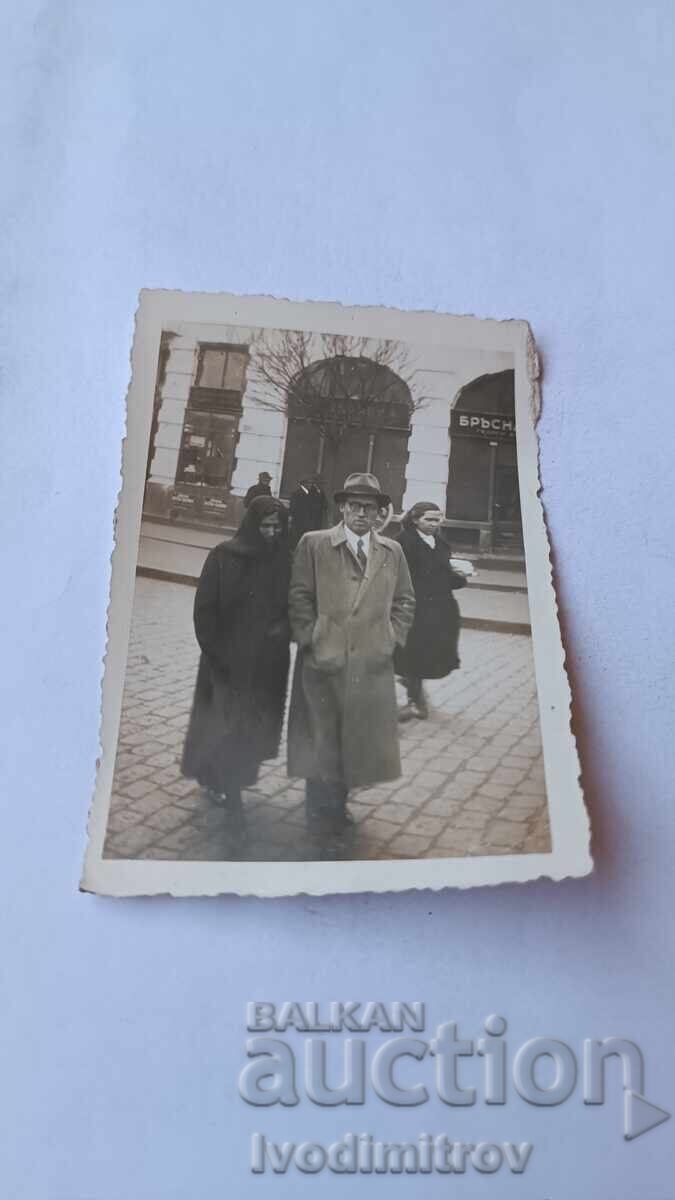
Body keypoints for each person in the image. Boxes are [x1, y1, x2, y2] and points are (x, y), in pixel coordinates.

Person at [287, 472, 416, 834]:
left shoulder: (392, 551)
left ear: (379, 514)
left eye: (370, 508)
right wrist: (312, 637)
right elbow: (299, 595)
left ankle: (339, 804)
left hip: (369, 662)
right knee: (320, 737)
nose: (362, 513)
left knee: (355, 740)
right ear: (342, 507)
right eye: (355, 506)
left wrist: (390, 638)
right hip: (323, 659)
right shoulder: (314, 544)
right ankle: (318, 809)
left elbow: (405, 599)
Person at [181, 496, 291, 835]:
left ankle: (231, 780)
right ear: (251, 524)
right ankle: (231, 798)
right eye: (266, 526)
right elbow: (205, 610)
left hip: (268, 662)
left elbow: (292, 604)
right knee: (225, 726)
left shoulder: (284, 560)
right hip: (227, 663)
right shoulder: (223, 556)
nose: (271, 533)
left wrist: (282, 629)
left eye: (277, 527)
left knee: (252, 729)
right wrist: (218, 653)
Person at [394, 501, 467, 721]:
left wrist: (460, 578)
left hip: (441, 606)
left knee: (432, 651)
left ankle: (413, 688)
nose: (434, 524)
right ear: (415, 519)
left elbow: (442, 571)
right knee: (413, 653)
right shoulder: (402, 543)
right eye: (429, 519)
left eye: (438, 519)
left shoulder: (441, 542)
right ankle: (415, 702)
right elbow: (399, 576)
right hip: (415, 607)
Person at [288, 475, 328, 546]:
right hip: (300, 522)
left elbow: (323, 505)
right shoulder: (297, 493)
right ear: (303, 483)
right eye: (309, 483)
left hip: (309, 521)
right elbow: (293, 509)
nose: (311, 485)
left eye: (311, 483)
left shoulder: (311, 493)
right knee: (299, 539)